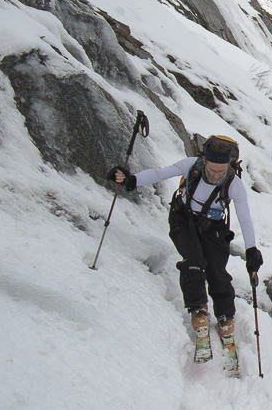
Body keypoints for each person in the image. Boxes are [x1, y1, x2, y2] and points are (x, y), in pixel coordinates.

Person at [108, 136, 263, 341]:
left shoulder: (234, 183)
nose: (216, 175)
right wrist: (132, 179)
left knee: (217, 271)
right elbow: (159, 174)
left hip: (214, 225)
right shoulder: (191, 167)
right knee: (194, 261)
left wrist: (251, 249)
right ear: (204, 161)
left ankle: (226, 314)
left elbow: (245, 218)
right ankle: (198, 308)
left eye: (221, 170)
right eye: (212, 169)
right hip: (183, 218)